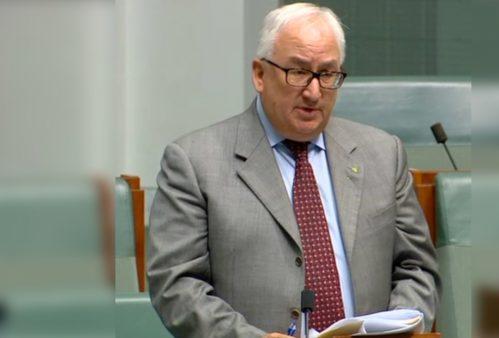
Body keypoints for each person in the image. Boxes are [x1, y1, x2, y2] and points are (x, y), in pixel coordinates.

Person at [147, 3, 440, 338]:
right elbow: (177, 285)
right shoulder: (194, 161)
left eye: (327, 74)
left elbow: (417, 268)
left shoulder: (383, 154)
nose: (314, 92)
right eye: (298, 72)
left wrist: (397, 329)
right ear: (259, 74)